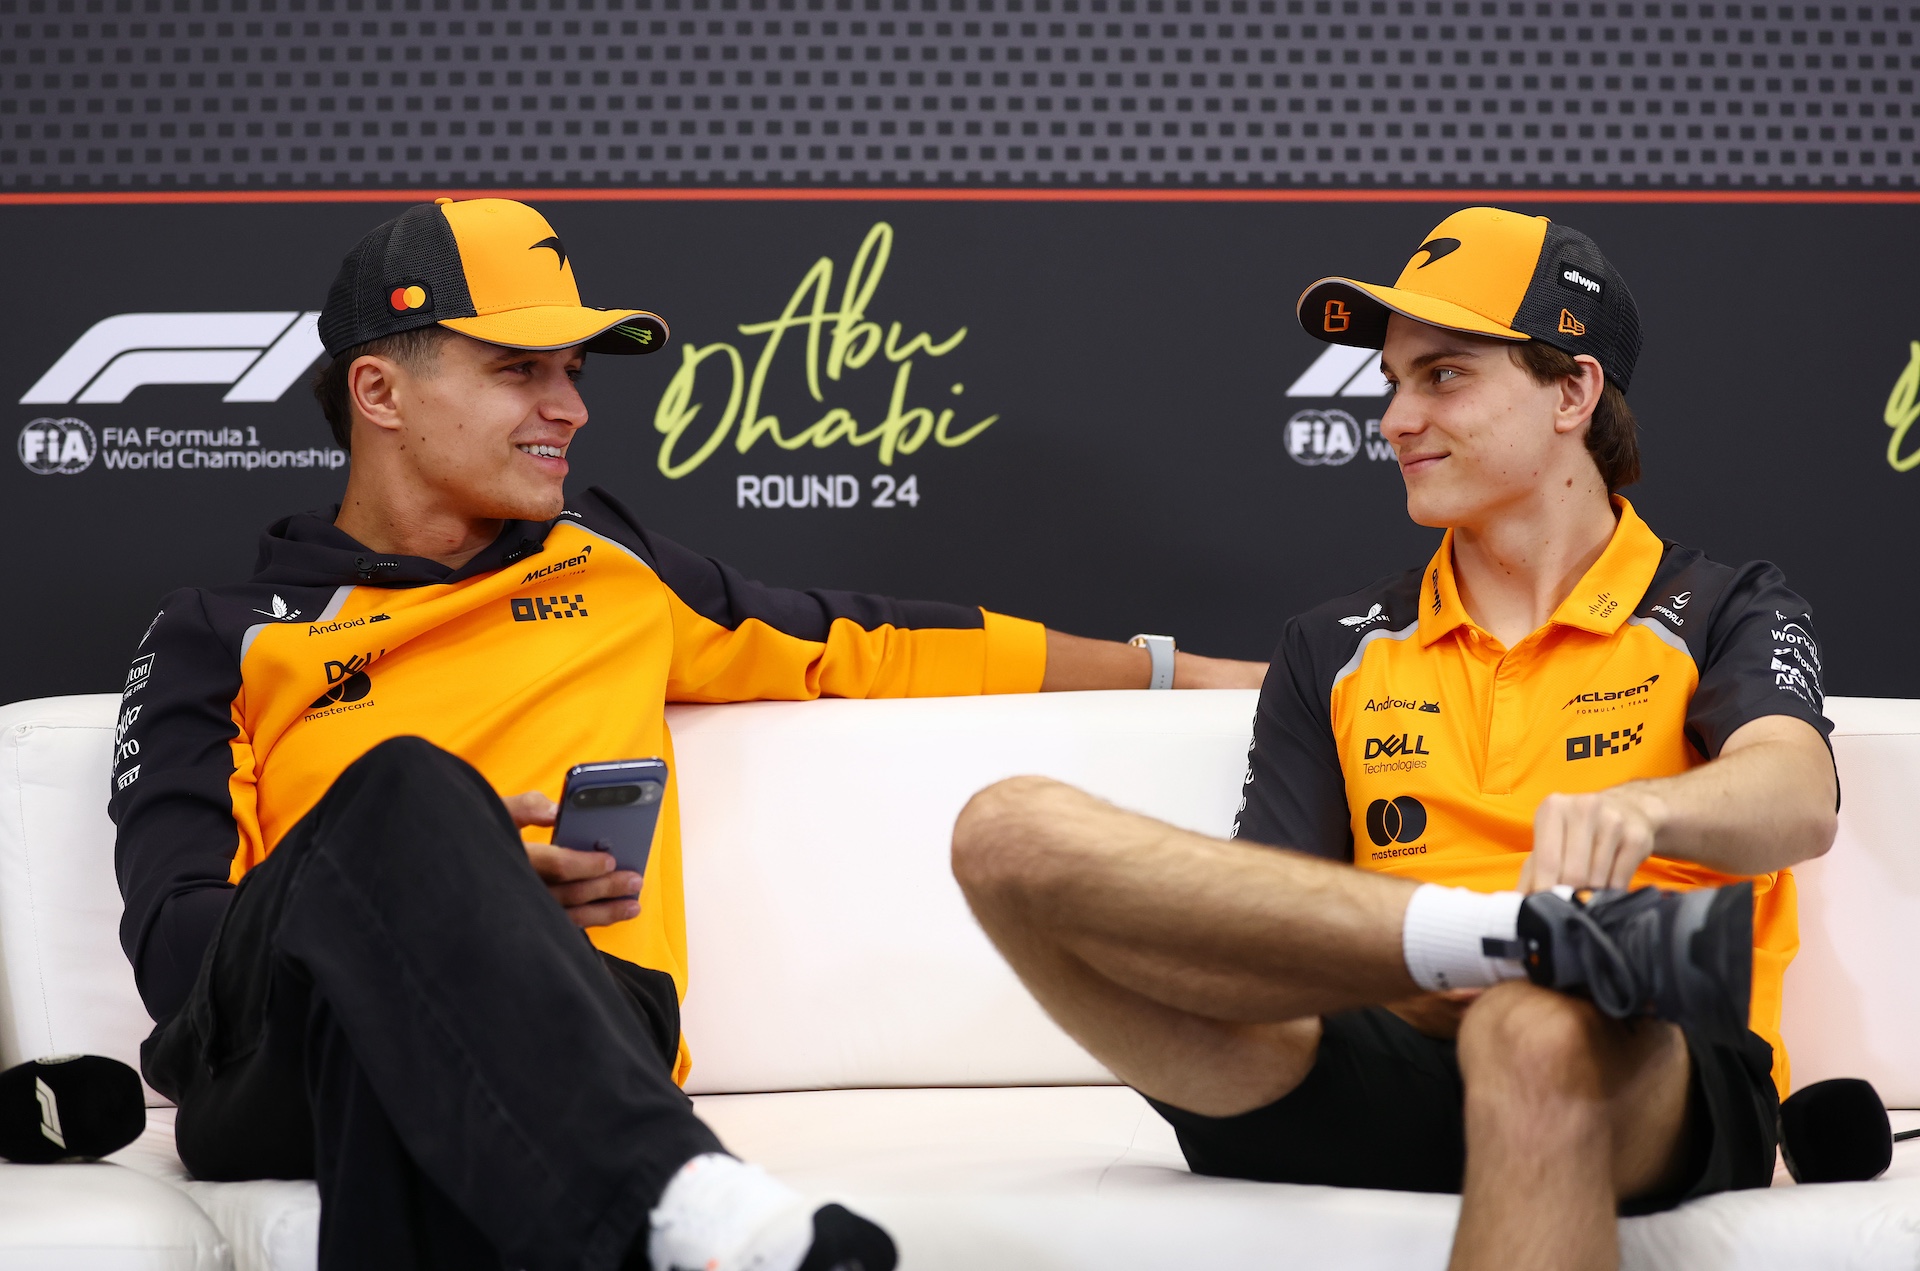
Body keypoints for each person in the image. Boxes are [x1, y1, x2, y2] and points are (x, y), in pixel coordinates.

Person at [110, 196, 1266, 1271]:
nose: (570, 406)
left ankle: (660, 1195)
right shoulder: (223, 637)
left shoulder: (616, 573)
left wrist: (1176, 666)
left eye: (570, 372)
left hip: (588, 1011)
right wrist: (436, 879)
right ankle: (686, 1201)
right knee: (411, 792)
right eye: (520, 370)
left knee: (419, 1069)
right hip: (281, 1049)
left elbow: (867, 641)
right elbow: (181, 956)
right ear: (379, 391)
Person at [950, 206, 1838, 1271]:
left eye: (1445, 375)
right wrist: (1443, 956)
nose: (1396, 418)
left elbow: (1795, 792)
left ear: (1574, 390)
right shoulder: (1330, 645)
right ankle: (1509, 936)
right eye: (1392, 381)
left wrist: (1643, 807)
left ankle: (1538, 963)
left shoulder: (1720, 603)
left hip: (1643, 1062)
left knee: (1531, 1028)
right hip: (1383, 1039)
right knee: (1005, 834)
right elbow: (1265, 927)